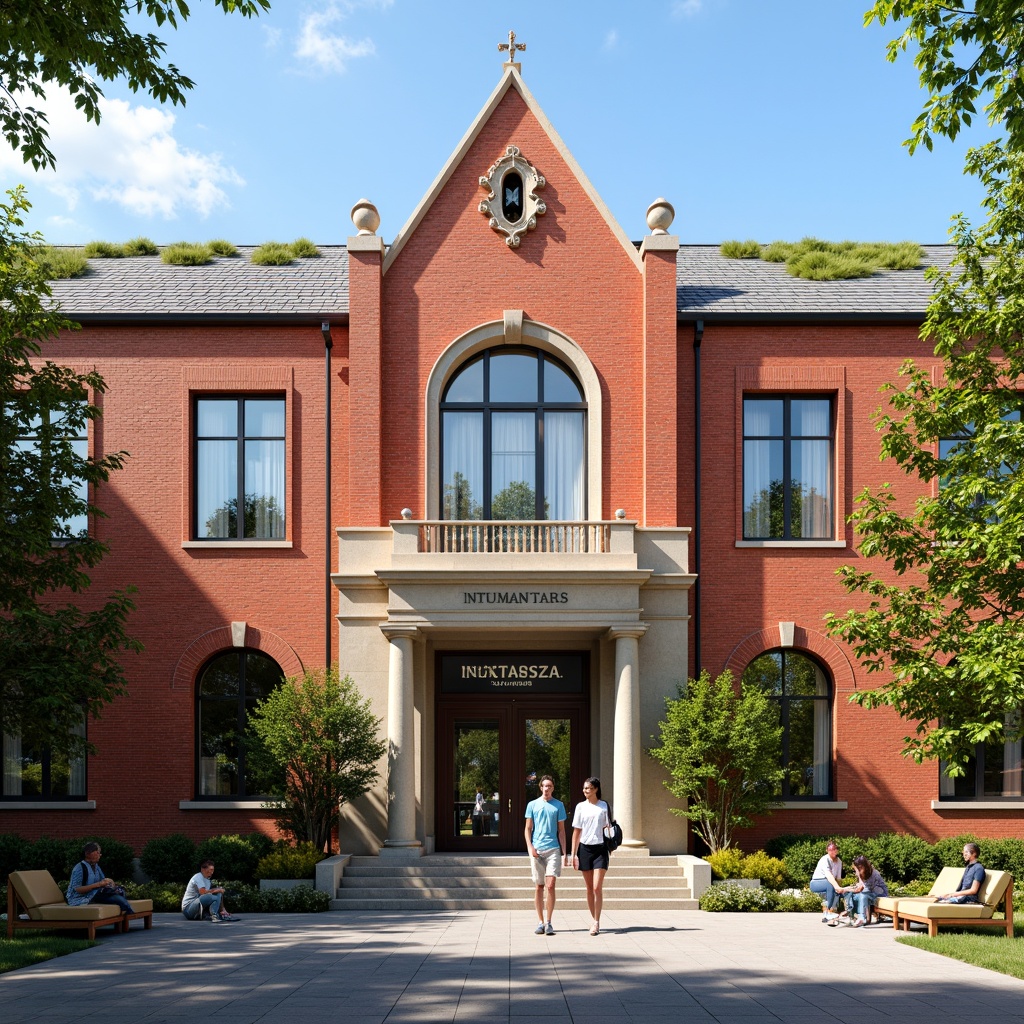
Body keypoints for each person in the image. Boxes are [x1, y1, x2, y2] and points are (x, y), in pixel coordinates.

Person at [524, 774, 567, 936]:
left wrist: (565, 853)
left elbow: (561, 830)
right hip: (537, 850)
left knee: (550, 885)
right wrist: (530, 847)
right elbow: (528, 828)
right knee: (539, 886)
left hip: (553, 850)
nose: (547, 788)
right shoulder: (532, 805)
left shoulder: (558, 806)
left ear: (553, 788)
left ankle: (549, 922)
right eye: (544, 786)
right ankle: (540, 921)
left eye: (550, 786)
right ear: (540, 787)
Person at [570, 776, 610, 936]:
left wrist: (611, 846)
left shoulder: (604, 806)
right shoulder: (580, 807)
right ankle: (593, 919)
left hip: (600, 849)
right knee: (588, 888)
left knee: (596, 887)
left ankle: (596, 922)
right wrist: (573, 854)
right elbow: (576, 831)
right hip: (585, 849)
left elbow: (608, 827)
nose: (585, 791)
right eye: (584, 788)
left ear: (595, 789)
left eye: (588, 788)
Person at [66, 841, 134, 916]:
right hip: (80, 898)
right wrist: (98, 885)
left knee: (120, 892)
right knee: (117, 899)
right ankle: (129, 912)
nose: (100, 855)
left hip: (95, 894)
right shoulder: (79, 868)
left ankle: (124, 917)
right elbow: (77, 889)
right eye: (97, 852)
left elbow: (103, 880)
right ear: (88, 853)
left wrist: (109, 881)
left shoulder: (96, 866)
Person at [840, 854, 889, 927]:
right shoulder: (862, 873)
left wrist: (846, 889)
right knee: (850, 894)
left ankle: (862, 917)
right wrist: (845, 889)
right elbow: (860, 886)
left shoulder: (874, 874)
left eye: (858, 868)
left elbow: (862, 889)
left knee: (862, 895)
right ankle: (851, 914)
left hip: (879, 893)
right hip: (869, 892)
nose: (857, 870)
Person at [809, 841, 846, 923]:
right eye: (830, 850)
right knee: (830, 883)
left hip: (829, 884)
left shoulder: (839, 861)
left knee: (835, 892)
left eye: (834, 849)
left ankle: (828, 914)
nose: (832, 851)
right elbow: (829, 876)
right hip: (816, 883)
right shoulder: (825, 859)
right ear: (827, 850)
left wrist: (839, 889)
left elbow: (838, 878)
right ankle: (829, 911)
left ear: (837, 850)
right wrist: (836, 886)